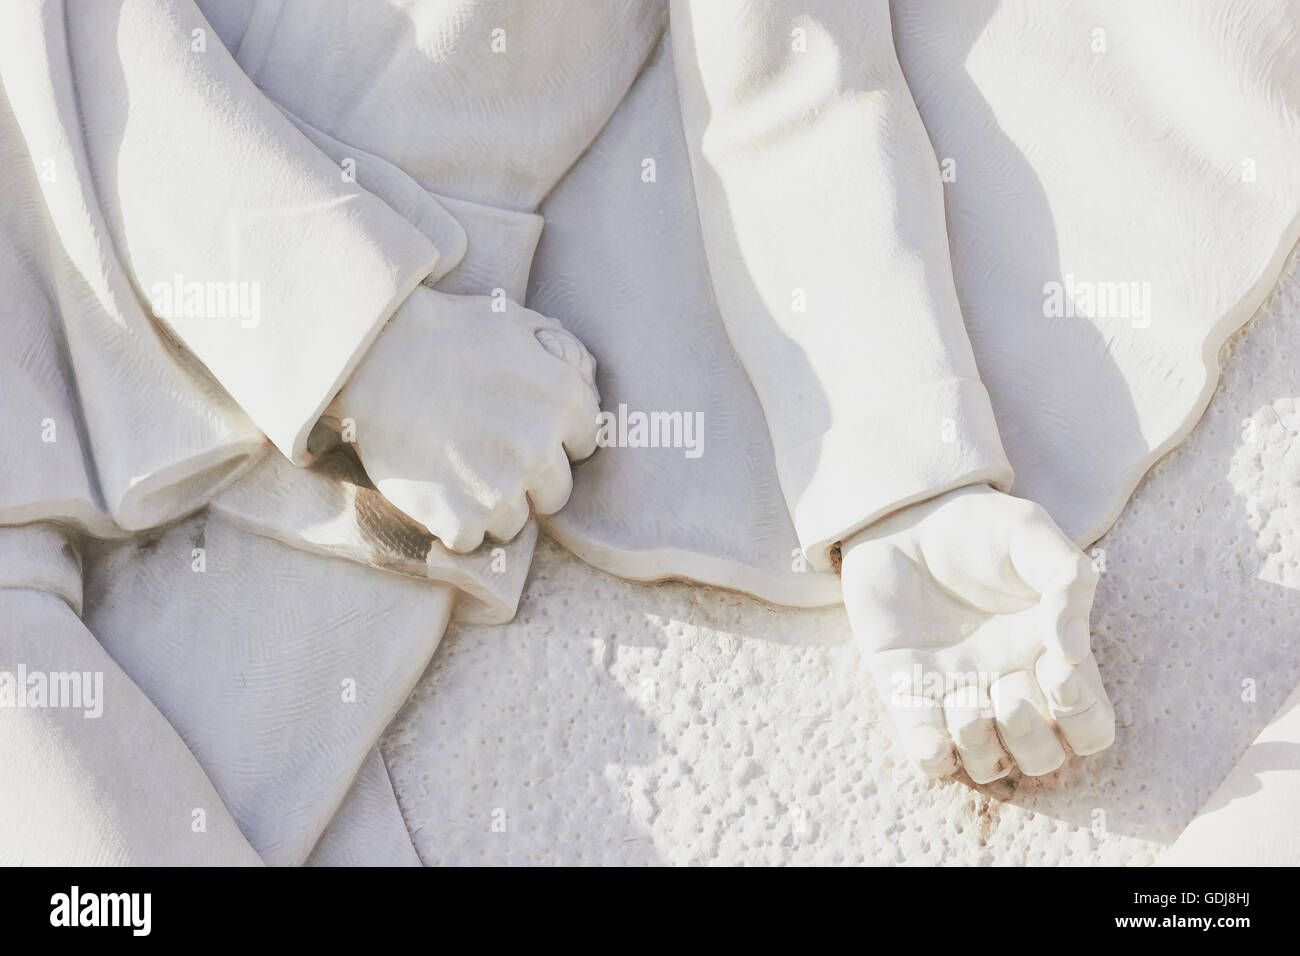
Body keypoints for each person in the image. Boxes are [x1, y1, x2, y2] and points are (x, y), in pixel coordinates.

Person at [1, 0, 1296, 864]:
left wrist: (907, 486)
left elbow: (790, 78)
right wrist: (348, 327)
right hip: (117, 293)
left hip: (333, 475)